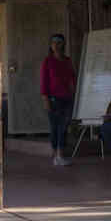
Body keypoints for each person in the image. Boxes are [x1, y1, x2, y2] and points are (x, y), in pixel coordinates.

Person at [39, 33, 77, 167]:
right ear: (51, 45)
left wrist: (73, 94)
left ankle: (60, 155)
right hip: (53, 100)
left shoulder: (67, 60)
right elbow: (44, 82)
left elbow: (72, 78)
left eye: (59, 42)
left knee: (64, 127)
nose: (56, 44)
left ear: (63, 44)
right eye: (54, 42)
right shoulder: (47, 61)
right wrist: (46, 99)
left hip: (67, 99)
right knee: (55, 127)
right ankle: (56, 155)